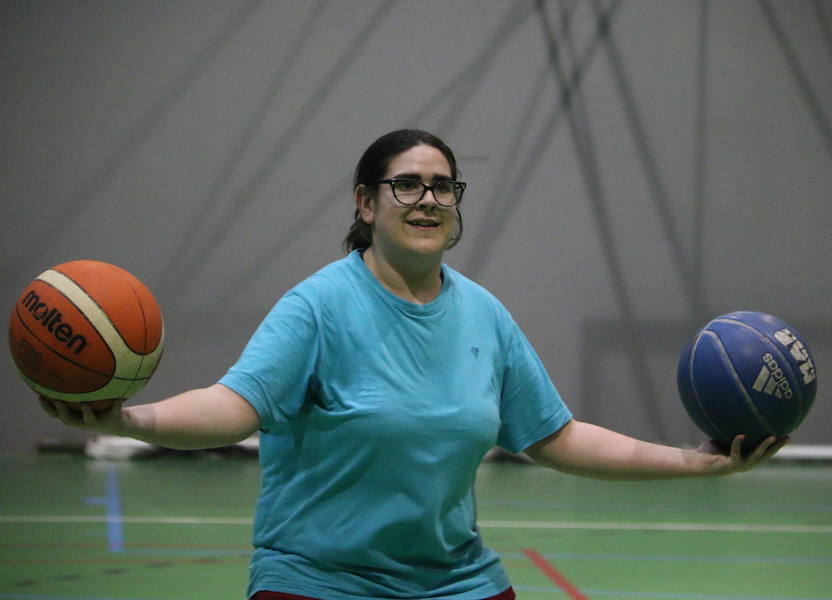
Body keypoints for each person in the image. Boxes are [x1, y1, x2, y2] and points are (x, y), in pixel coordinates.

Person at [41, 128, 786, 600]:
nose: (428, 198)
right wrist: (128, 418)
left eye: (443, 186)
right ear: (366, 203)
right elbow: (236, 406)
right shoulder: (318, 307)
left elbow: (554, 436)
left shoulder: (484, 315)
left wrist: (699, 466)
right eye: (407, 184)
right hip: (318, 581)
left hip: (454, 581)